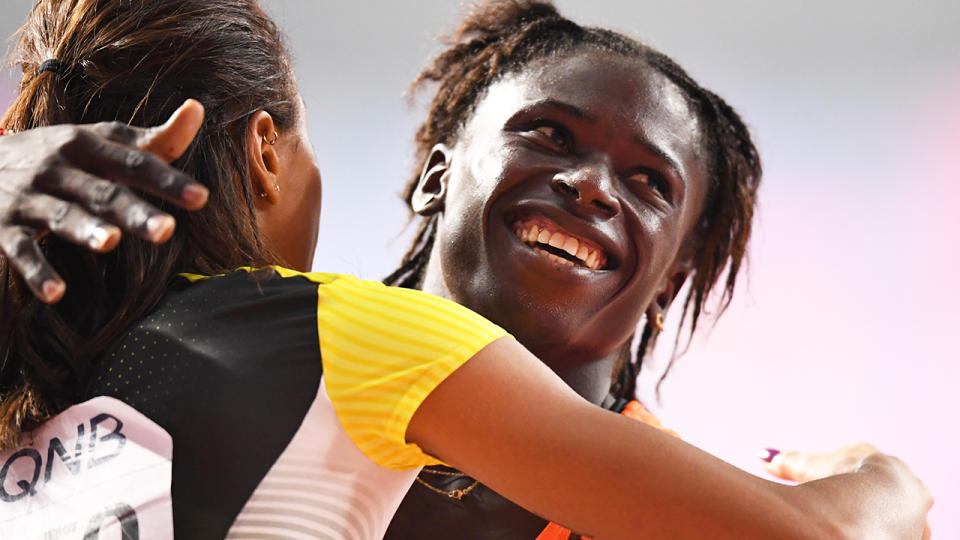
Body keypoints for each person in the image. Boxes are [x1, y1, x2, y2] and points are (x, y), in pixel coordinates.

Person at [0, 0, 932, 539]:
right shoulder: (334, 342)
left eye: (650, 183)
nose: (591, 186)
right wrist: (893, 481)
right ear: (436, 176)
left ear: (679, 268)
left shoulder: (75, 362)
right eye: (547, 134)